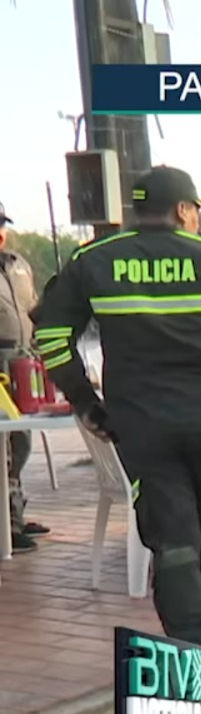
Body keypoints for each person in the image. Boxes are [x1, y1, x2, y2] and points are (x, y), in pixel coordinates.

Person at [31, 166, 201, 656]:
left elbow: (51, 339)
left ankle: (189, 638)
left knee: (171, 533)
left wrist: (87, 402)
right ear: (184, 210)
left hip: (142, 426)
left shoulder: (94, 260)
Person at [0, 201, 49, 553]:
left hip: (23, 361)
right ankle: (5, 525)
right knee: (0, 447)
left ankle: (13, 512)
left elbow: (32, 308)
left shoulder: (19, 266)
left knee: (21, 441)